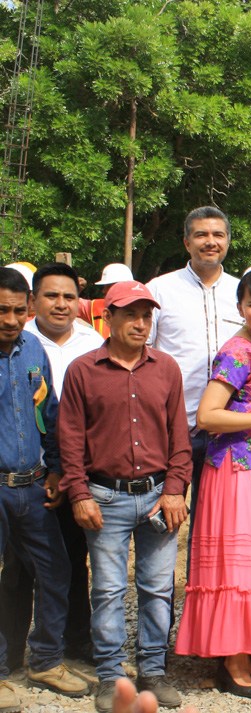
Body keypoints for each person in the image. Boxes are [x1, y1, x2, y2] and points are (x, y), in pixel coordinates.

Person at [59, 281, 192, 711]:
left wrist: (175, 489)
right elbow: (70, 439)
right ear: (108, 318)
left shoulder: (166, 368)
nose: (140, 324)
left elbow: (180, 437)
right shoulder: (83, 370)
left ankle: (153, 670)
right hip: (106, 496)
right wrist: (79, 493)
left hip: (156, 495)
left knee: (157, 589)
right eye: (131, 315)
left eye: (147, 316)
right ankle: (111, 675)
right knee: (109, 591)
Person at [174, 270, 251, 700]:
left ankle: (248, 654)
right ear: (240, 306)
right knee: (237, 567)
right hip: (237, 471)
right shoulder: (236, 352)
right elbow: (207, 416)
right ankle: (230, 660)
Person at [0, 263, 103, 667]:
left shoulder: (40, 349)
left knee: (63, 569)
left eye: (68, 297)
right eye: (1, 310)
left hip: (49, 479)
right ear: (36, 301)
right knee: (13, 576)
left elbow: (49, 412)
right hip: (7, 483)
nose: (10, 320)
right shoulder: (29, 340)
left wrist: (61, 469)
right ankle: (6, 663)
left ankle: (55, 654)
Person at [147, 206, 242, 516]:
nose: (210, 241)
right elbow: (142, 353)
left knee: (215, 524)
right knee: (162, 519)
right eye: (201, 234)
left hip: (228, 430)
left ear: (228, 241)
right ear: (187, 243)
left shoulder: (242, 292)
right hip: (173, 428)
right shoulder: (160, 290)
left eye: (218, 235)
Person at [79, 263, 134, 339]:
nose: (103, 291)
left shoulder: (139, 310)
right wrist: (72, 288)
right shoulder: (96, 306)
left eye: (108, 286)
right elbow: (69, 304)